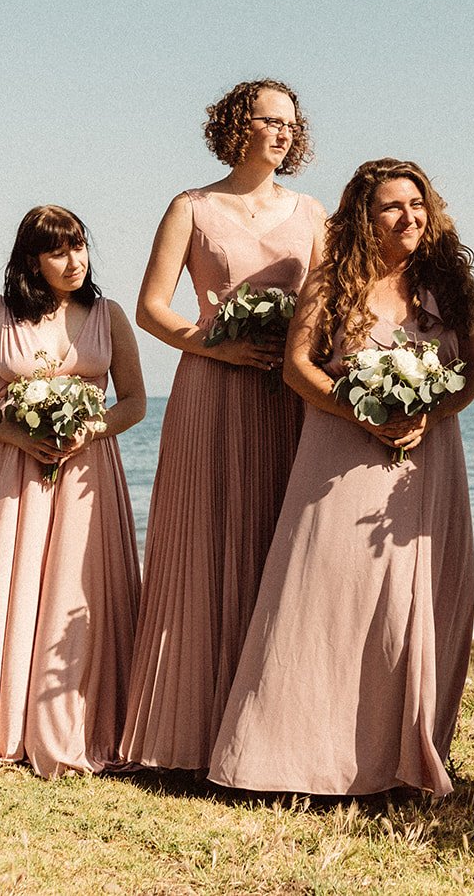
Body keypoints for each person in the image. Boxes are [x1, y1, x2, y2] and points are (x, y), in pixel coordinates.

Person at [208, 158, 474, 797]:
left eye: (416, 204)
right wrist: (361, 409)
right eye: (391, 206)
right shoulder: (335, 281)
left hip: (427, 459)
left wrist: (428, 412)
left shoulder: (444, 285)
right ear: (364, 215)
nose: (407, 216)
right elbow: (298, 368)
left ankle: (400, 759)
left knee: (416, 604)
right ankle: (293, 759)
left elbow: (470, 372)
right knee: (326, 601)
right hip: (340, 455)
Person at [122, 79, 325, 771]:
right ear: (238, 124)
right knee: (206, 541)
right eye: (271, 120)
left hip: (288, 395)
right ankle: (189, 730)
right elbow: (152, 308)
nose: (283, 133)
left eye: (291, 125)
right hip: (210, 388)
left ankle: (272, 730)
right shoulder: (193, 207)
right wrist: (216, 342)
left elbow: (332, 309)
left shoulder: (313, 214)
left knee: (282, 543)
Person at [0, 206, 145, 778]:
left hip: (88, 473)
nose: (74, 262)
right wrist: (18, 434)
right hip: (14, 473)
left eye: (80, 248)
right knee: (2, 586)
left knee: (79, 588)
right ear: (31, 261)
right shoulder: (0, 316)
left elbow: (134, 403)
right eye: (58, 252)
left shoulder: (109, 315)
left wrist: (88, 429)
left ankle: (75, 723)